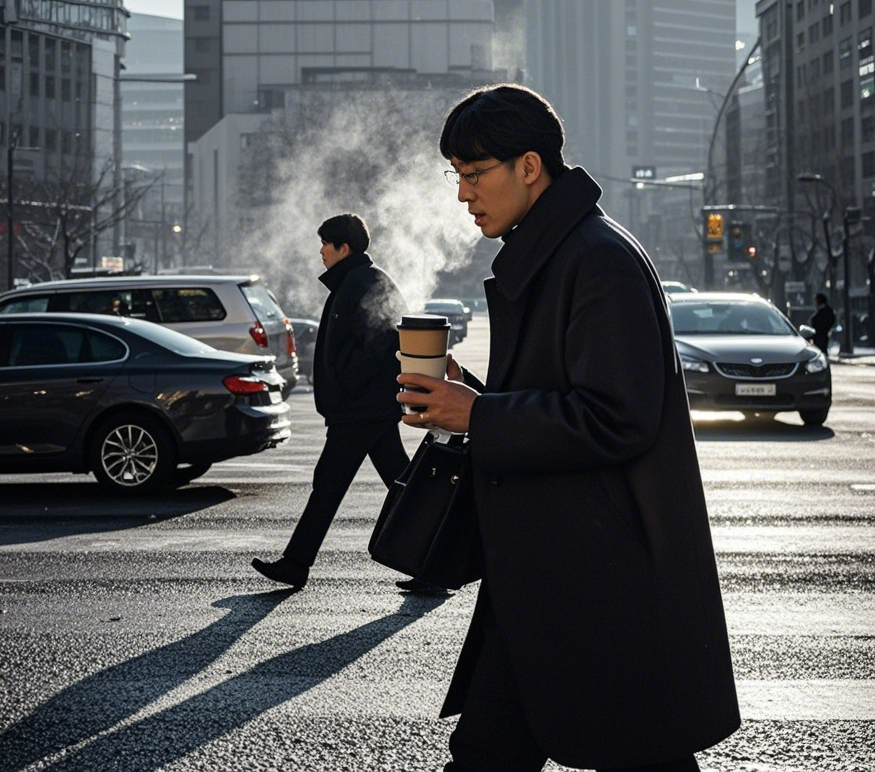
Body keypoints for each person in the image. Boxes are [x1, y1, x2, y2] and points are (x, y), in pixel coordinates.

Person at [397, 85, 740, 772]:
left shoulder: (596, 259)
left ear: (529, 166)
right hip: (550, 573)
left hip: (595, 578)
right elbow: (565, 399)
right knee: (496, 753)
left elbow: (617, 416)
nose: (463, 194)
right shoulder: (556, 252)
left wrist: (482, 414)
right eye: (456, 176)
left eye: (474, 174)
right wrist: (476, 398)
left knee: (636, 753)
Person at [252, 213, 413, 591]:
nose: (321, 252)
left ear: (345, 248)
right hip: (363, 408)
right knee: (401, 487)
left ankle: (296, 564)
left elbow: (381, 339)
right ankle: (434, 563)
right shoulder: (355, 280)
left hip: (360, 409)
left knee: (330, 487)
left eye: (326, 244)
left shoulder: (365, 282)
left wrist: (345, 382)